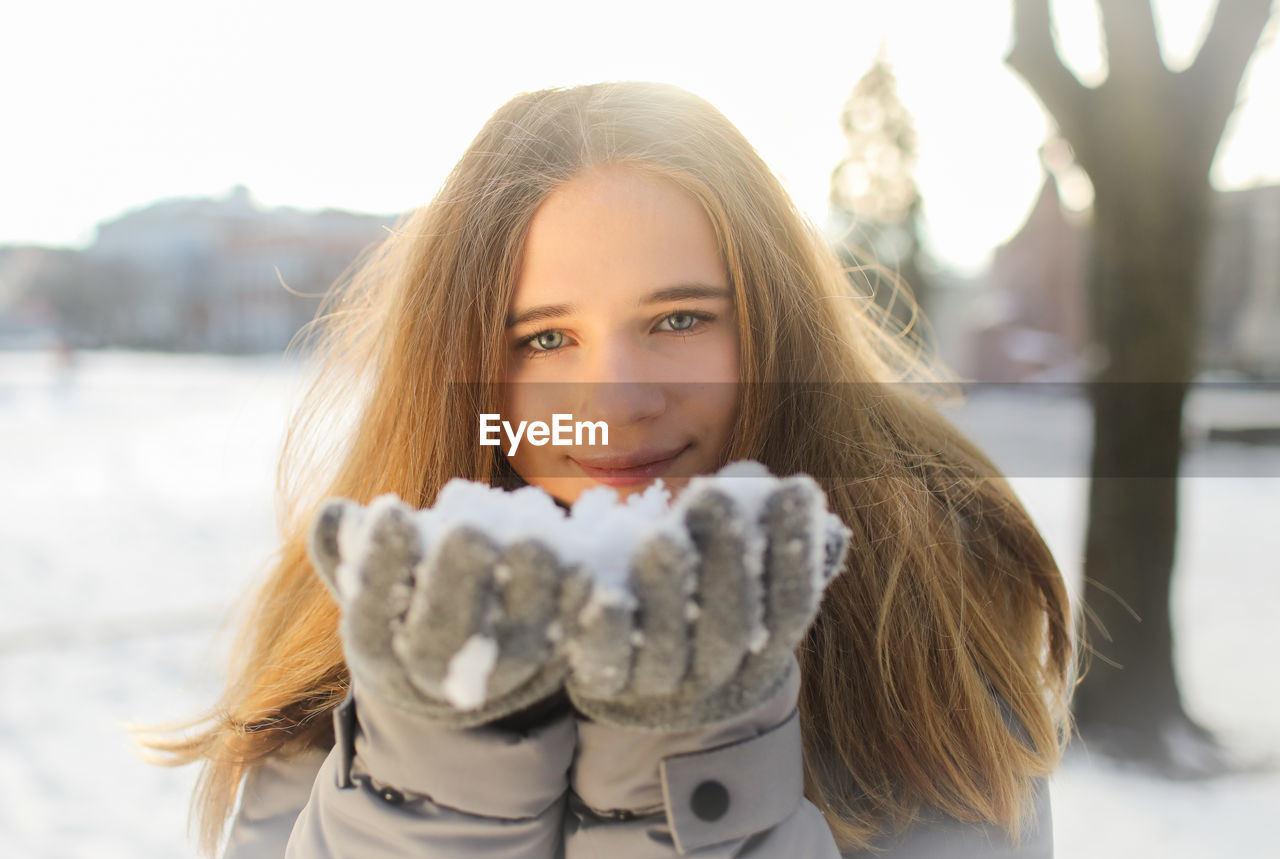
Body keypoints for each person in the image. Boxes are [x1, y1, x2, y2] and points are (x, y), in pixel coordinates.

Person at [139, 81, 1075, 858]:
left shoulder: (918, 612)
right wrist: (437, 772)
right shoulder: (350, 641)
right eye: (546, 338)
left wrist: (684, 769)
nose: (618, 397)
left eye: (679, 320)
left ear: (775, 327)